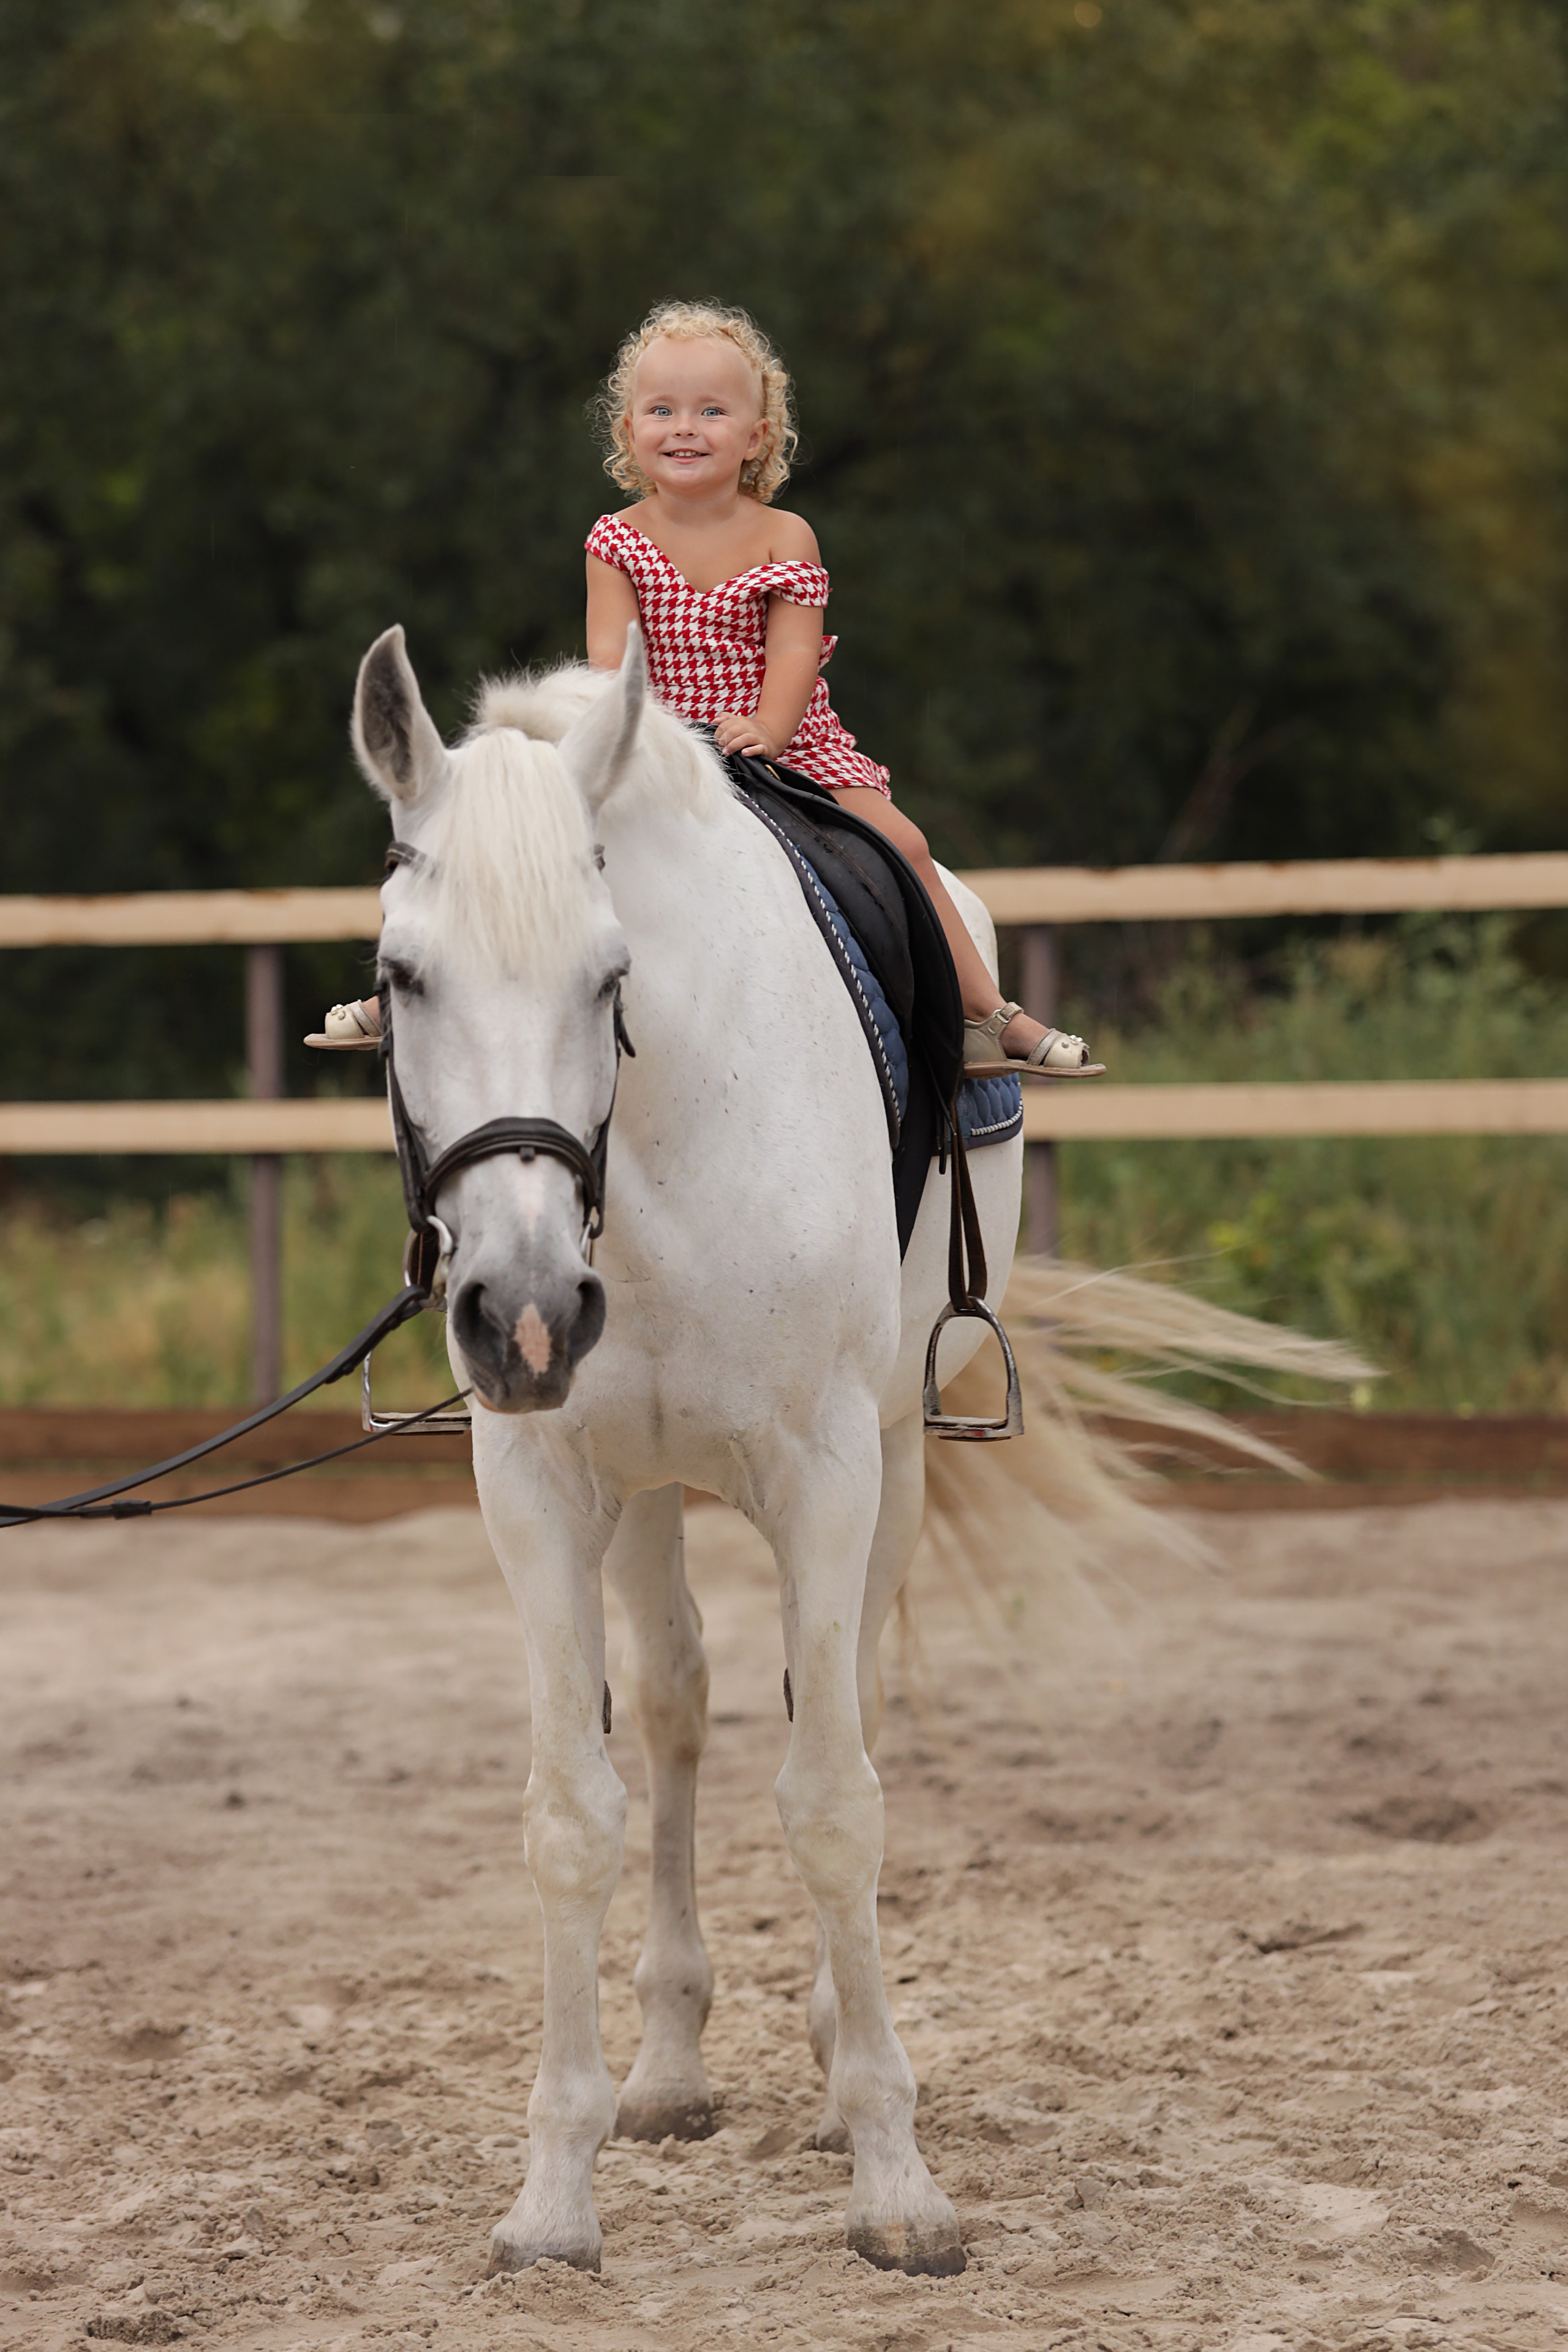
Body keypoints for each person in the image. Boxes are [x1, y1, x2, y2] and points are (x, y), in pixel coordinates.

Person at [317, 298, 1091, 1073]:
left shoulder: (784, 535)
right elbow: (612, 670)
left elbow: (794, 651)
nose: (684, 427)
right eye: (662, 410)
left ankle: (986, 1015)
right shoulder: (616, 539)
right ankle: (411, 990)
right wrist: (640, 748)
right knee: (527, 840)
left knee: (905, 844)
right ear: (629, 432)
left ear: (756, 436)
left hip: (783, 739)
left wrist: (768, 730)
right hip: (657, 746)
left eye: (712, 410)